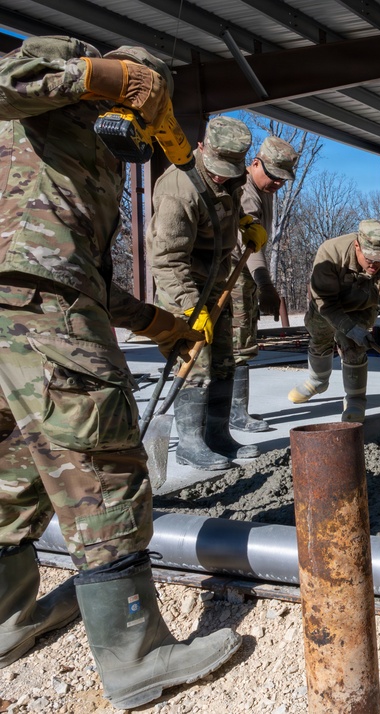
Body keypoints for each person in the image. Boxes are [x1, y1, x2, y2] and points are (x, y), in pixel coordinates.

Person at [0, 36, 241, 709]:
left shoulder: (87, 162)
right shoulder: (55, 86)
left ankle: (6, 621)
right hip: (40, 314)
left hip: (22, 311)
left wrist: (161, 324)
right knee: (103, 472)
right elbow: (8, 77)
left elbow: (87, 275)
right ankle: (137, 656)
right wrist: (100, 74)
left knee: (11, 475)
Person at [147, 115, 266, 470]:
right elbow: (166, 259)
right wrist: (190, 308)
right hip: (182, 285)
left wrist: (244, 223)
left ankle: (218, 436)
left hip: (217, 283)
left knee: (224, 361)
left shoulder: (231, 176)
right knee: (195, 365)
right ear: (201, 148)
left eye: (229, 171)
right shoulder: (178, 188)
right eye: (217, 170)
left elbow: (225, 205)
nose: (222, 177)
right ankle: (191, 443)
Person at [287, 219, 380, 422]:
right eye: (370, 258)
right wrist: (348, 327)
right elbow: (326, 302)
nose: (375, 264)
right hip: (326, 306)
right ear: (357, 245)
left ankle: (356, 399)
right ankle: (318, 380)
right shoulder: (331, 252)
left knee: (354, 346)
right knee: (320, 337)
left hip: (361, 307)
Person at [229, 135, 300, 433]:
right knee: (237, 345)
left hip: (244, 272)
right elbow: (249, 247)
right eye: (273, 177)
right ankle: (233, 414)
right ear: (255, 164)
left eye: (283, 180)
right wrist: (265, 285)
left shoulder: (264, 188)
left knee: (241, 344)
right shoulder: (246, 191)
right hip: (233, 272)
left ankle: (232, 412)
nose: (278, 184)